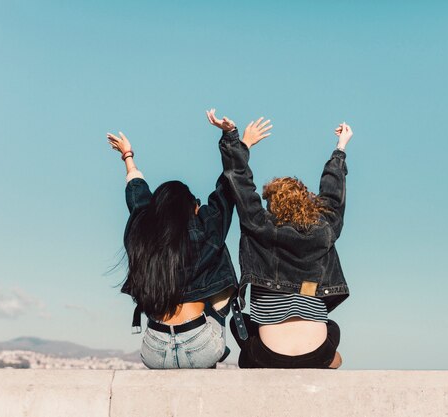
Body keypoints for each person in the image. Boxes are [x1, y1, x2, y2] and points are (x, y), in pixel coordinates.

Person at [208, 109, 353, 368]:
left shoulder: (259, 225)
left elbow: (240, 182)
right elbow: (333, 196)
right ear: (308, 202)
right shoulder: (325, 229)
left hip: (268, 353)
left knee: (240, 324)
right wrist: (340, 148)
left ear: (271, 203)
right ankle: (324, 357)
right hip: (316, 351)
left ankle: (267, 357)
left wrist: (232, 138)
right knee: (333, 329)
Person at [106, 128, 238, 369]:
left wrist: (128, 155)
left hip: (153, 350)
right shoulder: (204, 229)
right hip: (200, 346)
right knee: (215, 254)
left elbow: (138, 198)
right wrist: (235, 143)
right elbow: (225, 194)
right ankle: (213, 339)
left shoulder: (143, 233)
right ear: (191, 207)